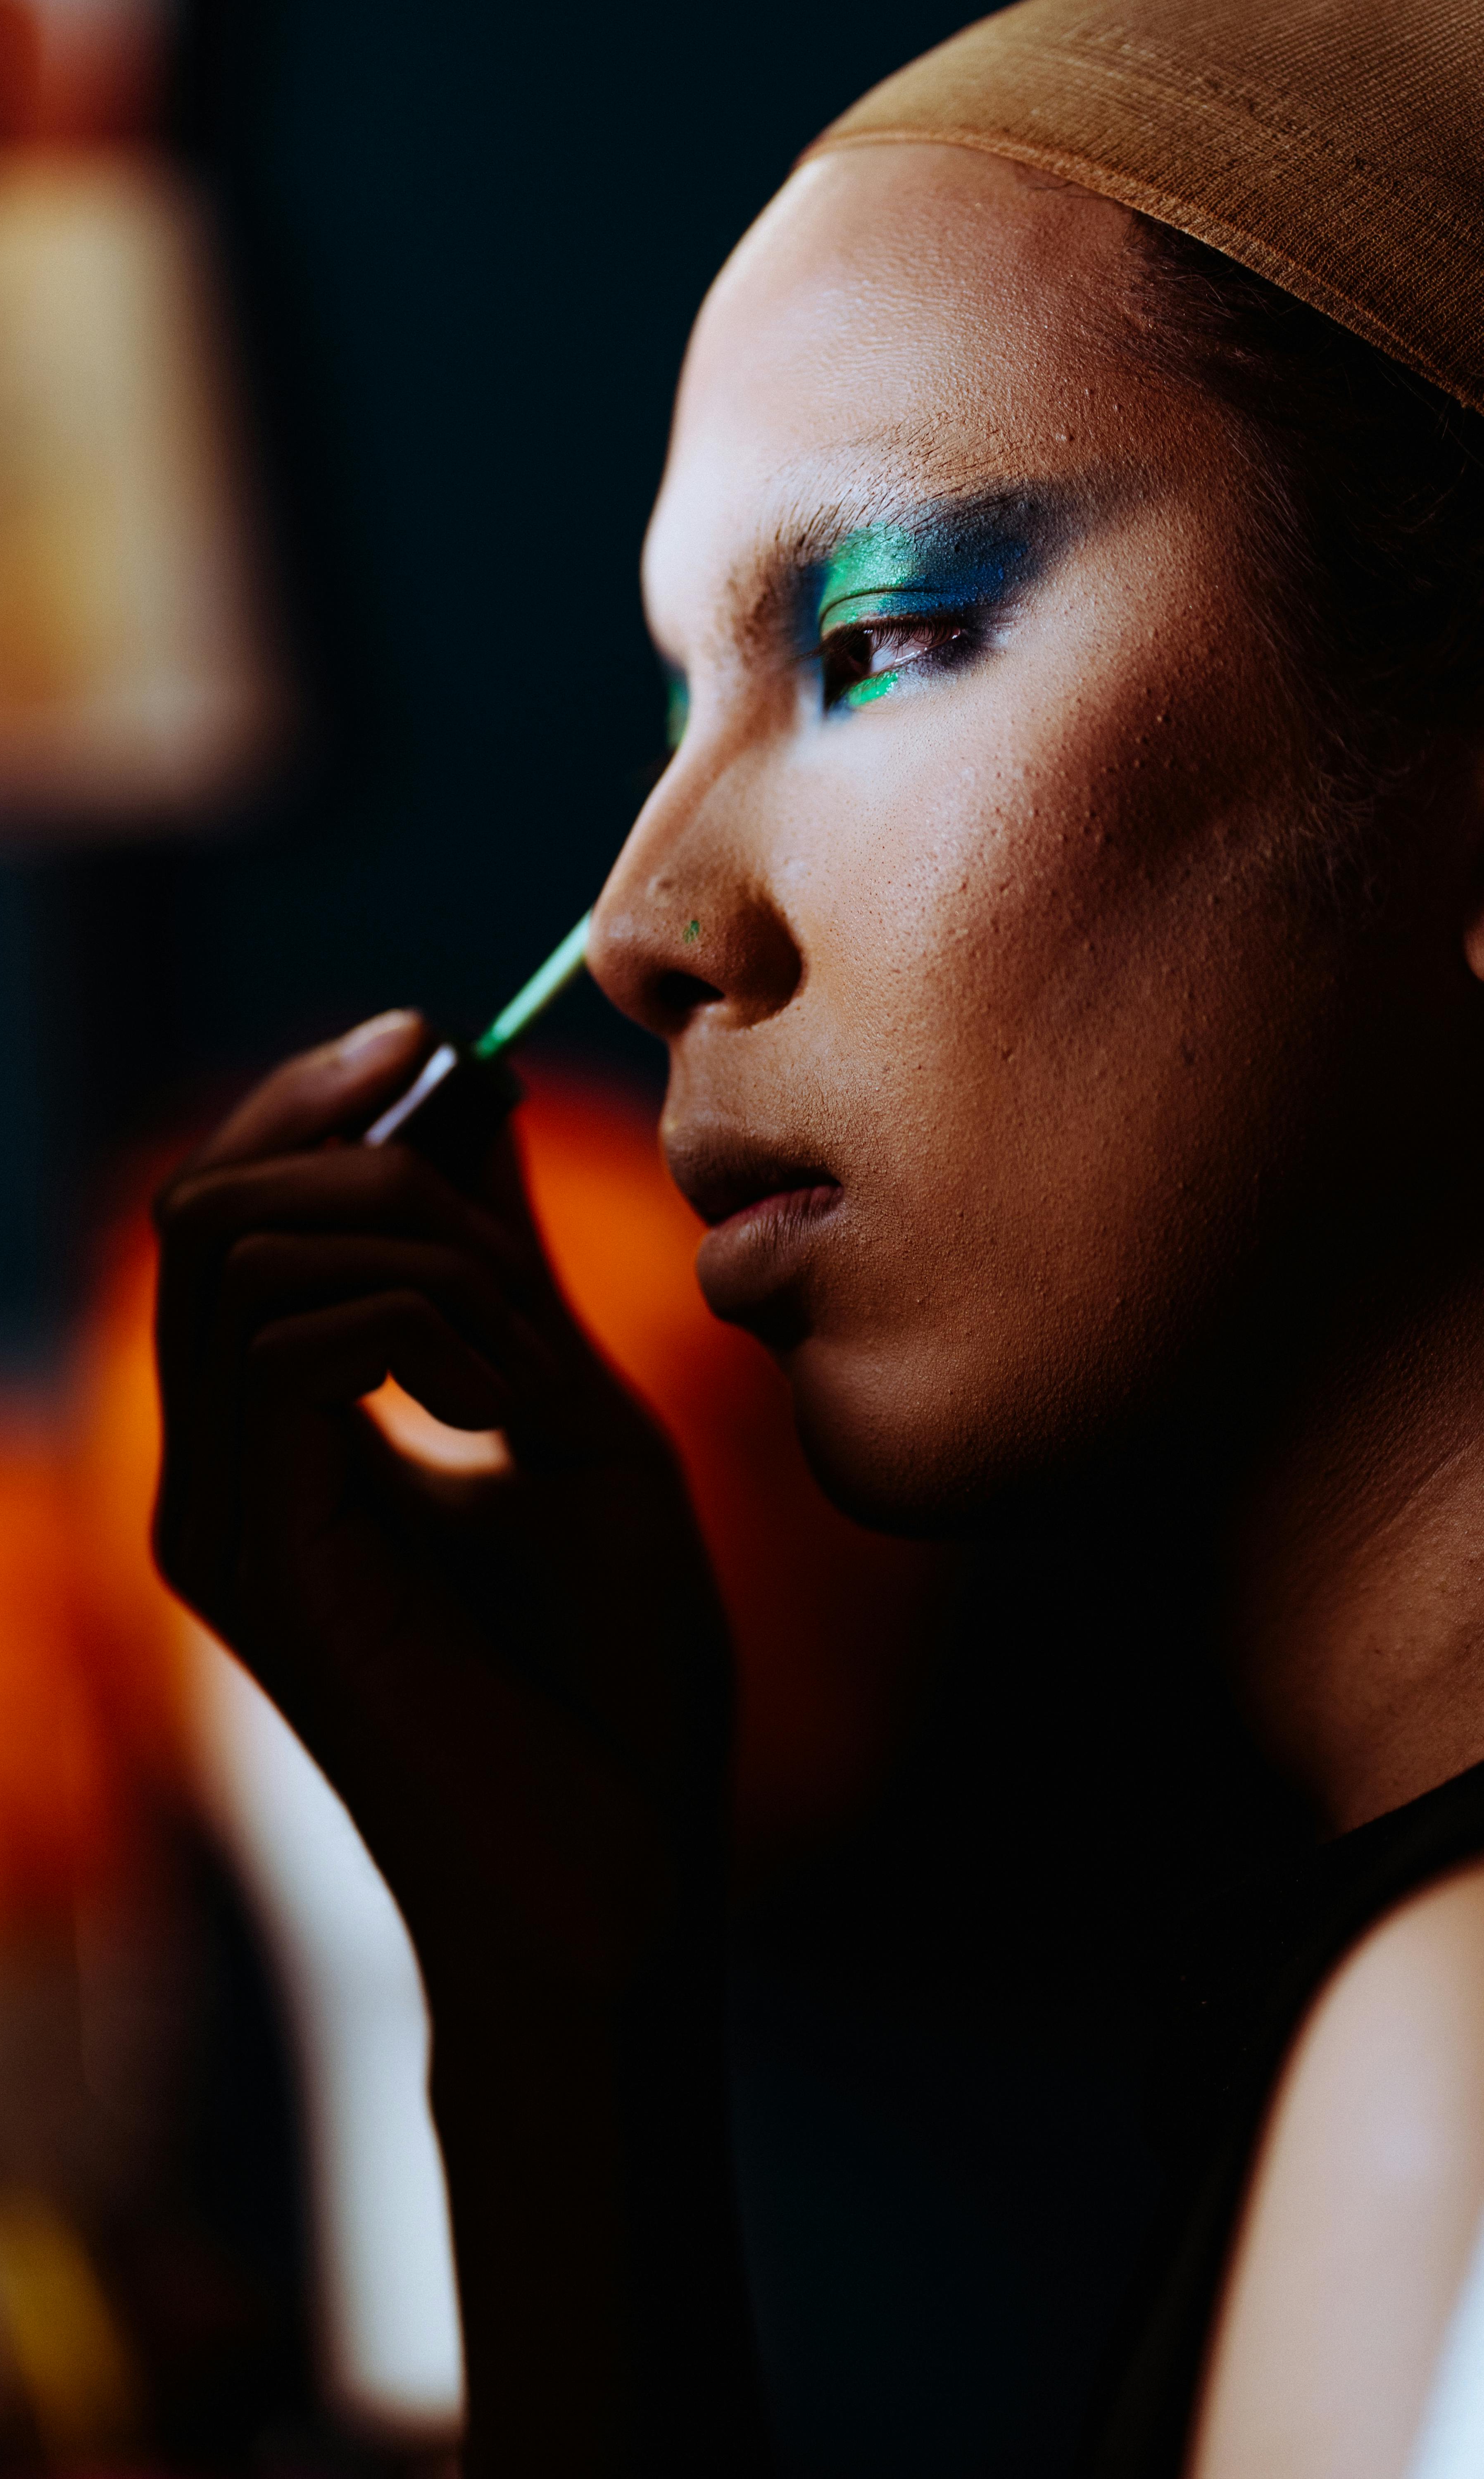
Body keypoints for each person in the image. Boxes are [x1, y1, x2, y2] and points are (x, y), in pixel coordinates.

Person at [152, 0, 1484, 2471]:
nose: (644, 928)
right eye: (680, 712)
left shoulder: (1456, 2085)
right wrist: (557, 2014)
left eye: (876, 643)